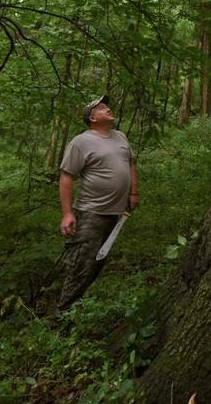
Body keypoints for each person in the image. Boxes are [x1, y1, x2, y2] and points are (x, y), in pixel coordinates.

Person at [56, 95, 139, 311]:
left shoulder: (120, 137)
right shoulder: (81, 142)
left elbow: (130, 163)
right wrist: (67, 214)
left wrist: (134, 193)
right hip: (91, 213)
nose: (108, 109)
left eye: (107, 106)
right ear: (92, 118)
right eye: (102, 108)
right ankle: (63, 315)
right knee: (81, 264)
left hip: (116, 214)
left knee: (98, 263)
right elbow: (66, 177)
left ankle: (81, 310)